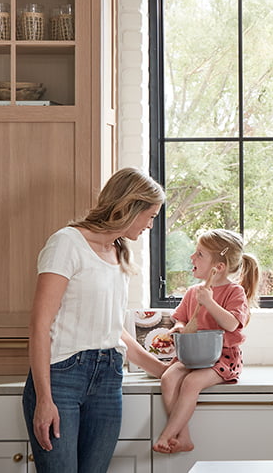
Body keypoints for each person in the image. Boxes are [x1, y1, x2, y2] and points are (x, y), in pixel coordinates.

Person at [23, 167, 170, 472]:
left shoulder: (119, 251)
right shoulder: (66, 243)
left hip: (108, 378)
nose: (150, 225)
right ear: (130, 207)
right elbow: (39, 326)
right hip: (62, 377)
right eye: (151, 216)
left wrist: (162, 370)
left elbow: (114, 331)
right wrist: (44, 399)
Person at [152, 228, 261, 453]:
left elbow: (231, 324)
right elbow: (181, 320)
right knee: (168, 378)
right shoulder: (192, 292)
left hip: (223, 357)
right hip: (192, 356)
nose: (192, 257)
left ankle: (167, 434)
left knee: (191, 383)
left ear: (218, 267)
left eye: (199, 254)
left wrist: (210, 303)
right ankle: (184, 437)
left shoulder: (235, 292)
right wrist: (179, 329)